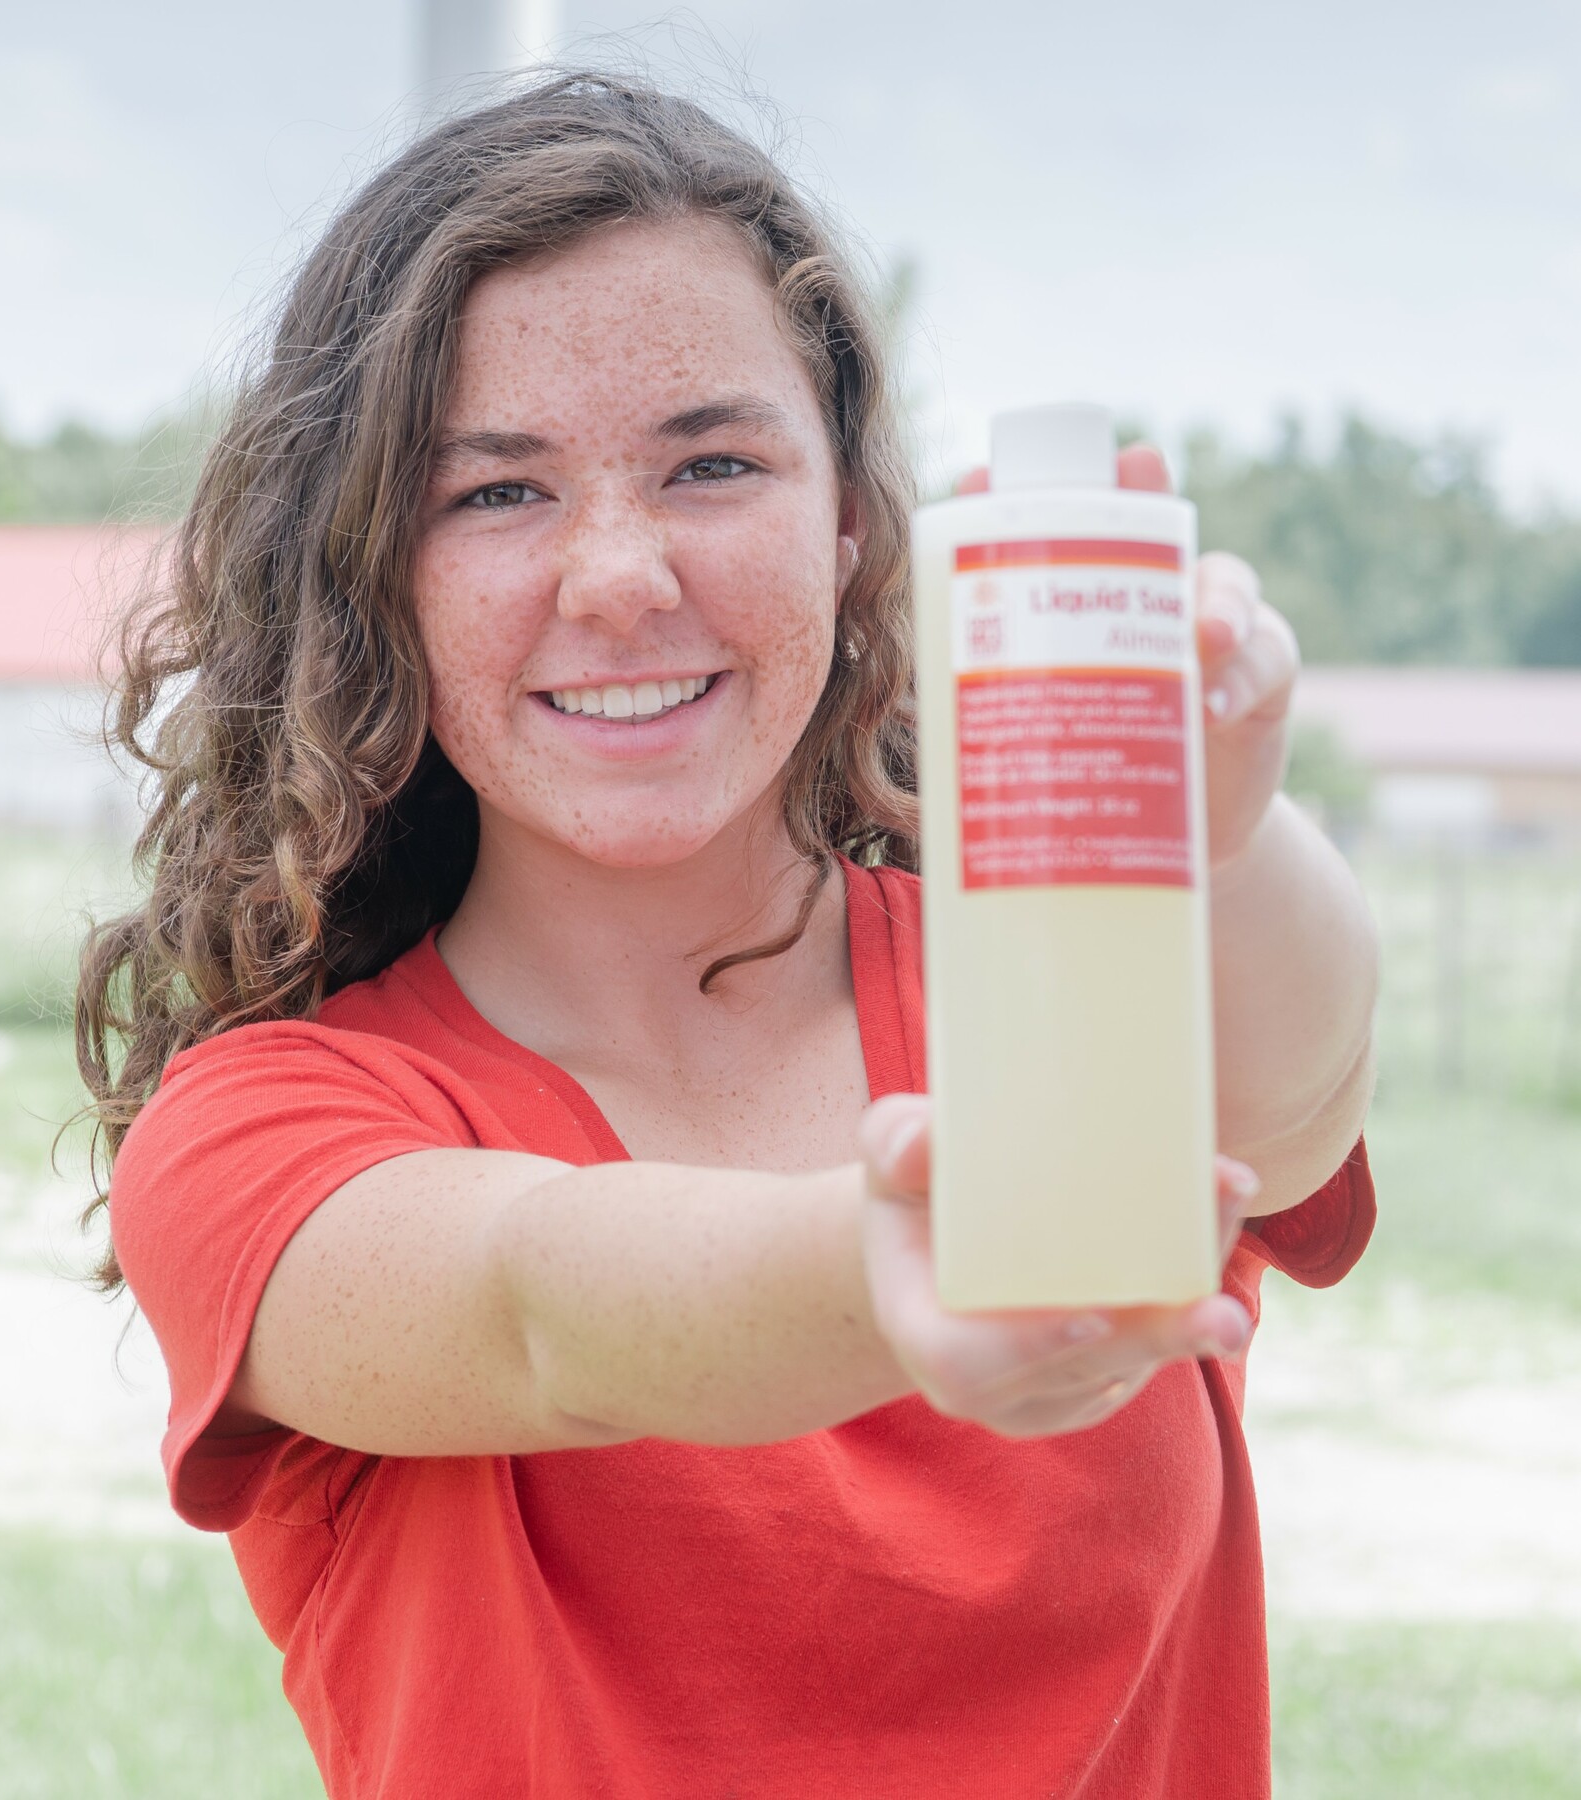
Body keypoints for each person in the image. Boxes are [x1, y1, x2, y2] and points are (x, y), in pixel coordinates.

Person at [77, 72, 1378, 1799]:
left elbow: (1293, 1105)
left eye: (713, 462)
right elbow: (544, 1308)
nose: (618, 576)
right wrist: (895, 1272)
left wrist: (1208, 821)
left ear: (849, 526)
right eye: (498, 494)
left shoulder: (1056, 973)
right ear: (371, 570)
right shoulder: (262, 1137)